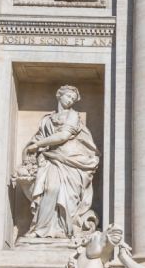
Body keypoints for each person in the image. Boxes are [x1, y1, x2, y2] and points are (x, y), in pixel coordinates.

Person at [15, 86, 99, 239]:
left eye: (73, 99)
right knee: (50, 189)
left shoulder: (73, 115)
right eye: (68, 96)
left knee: (65, 194)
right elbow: (38, 137)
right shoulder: (47, 119)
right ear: (59, 95)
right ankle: (41, 229)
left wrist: (37, 145)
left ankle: (64, 230)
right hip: (50, 158)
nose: (70, 100)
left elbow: (63, 136)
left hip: (70, 159)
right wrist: (32, 148)